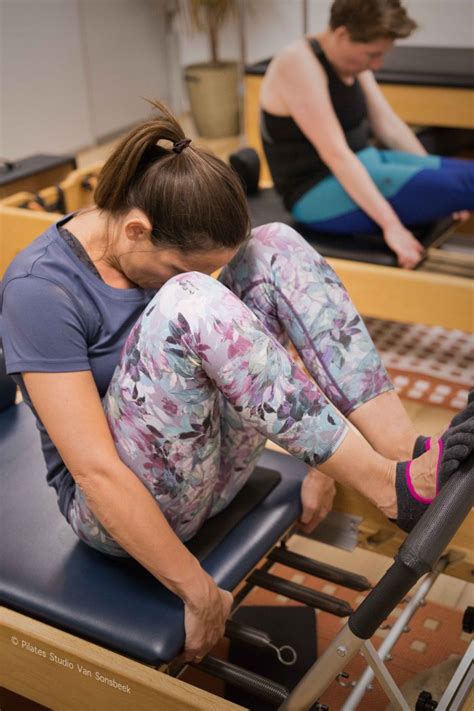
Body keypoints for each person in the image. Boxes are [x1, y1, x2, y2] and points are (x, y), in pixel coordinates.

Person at [1, 101, 472, 665]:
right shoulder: (39, 289)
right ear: (135, 229)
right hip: (118, 513)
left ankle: (396, 458)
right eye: (181, 266)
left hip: (217, 467)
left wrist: (327, 459)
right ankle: (385, 485)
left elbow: (249, 356)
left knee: (274, 242)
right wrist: (196, 591)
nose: (192, 280)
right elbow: (95, 473)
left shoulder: (147, 244)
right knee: (189, 302)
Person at [260, 0, 474, 268]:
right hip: (316, 194)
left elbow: (388, 125)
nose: (377, 65)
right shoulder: (298, 61)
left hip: (366, 166)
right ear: (342, 34)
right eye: (372, 54)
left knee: (465, 177)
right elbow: (336, 154)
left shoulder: (351, 62)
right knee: (469, 184)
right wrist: (392, 227)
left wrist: (436, 183)